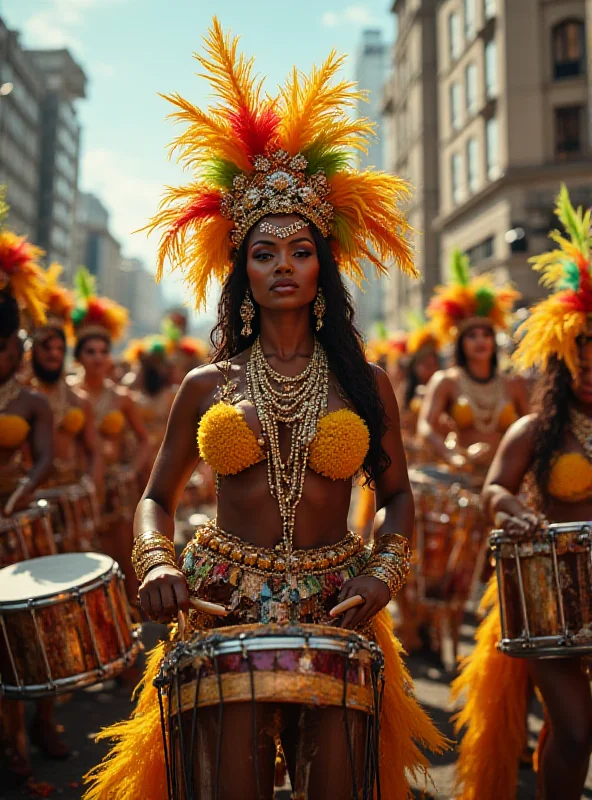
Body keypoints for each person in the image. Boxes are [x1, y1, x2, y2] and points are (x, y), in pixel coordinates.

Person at [84, 19, 447, 800]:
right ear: (241, 269)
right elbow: (156, 496)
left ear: (324, 265)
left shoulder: (365, 382)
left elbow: (401, 497)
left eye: (301, 249)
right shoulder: (203, 385)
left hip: (338, 604)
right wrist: (156, 562)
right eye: (264, 251)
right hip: (224, 605)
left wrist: (385, 573)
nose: (283, 265)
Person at [452, 187, 592, 800]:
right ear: (563, 357)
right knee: (578, 732)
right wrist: (510, 512)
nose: (591, 364)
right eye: (581, 352)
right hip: (549, 596)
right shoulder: (536, 429)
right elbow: (494, 493)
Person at [0, 210, 63, 780]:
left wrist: (22, 491)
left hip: (16, 524)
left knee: (26, 631)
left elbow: (44, 458)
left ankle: (40, 724)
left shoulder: (32, 403)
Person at [70, 267, 149, 603]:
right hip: (80, 485)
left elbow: (146, 440)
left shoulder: (122, 397)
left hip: (117, 487)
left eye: (104, 351)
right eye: (91, 352)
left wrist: (132, 471)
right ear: (79, 357)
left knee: (121, 556)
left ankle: (128, 620)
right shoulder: (67, 395)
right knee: (83, 558)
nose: (99, 358)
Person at [418, 248, 529, 479]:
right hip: (463, 479)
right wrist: (452, 456)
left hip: (506, 479)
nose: (480, 341)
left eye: (486, 335)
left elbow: (533, 429)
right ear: (461, 343)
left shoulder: (512, 383)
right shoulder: (446, 381)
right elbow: (425, 427)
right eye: (472, 336)